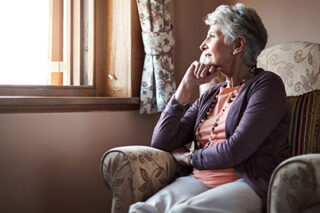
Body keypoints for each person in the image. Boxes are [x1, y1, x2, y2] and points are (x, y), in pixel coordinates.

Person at [130, 3, 290, 213]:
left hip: (247, 183)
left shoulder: (267, 85)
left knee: (182, 212)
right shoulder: (211, 94)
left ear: (238, 45)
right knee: (141, 210)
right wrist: (185, 88)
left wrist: (188, 157)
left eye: (212, 36)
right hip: (200, 180)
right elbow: (162, 142)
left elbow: (235, 149)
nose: (202, 45)